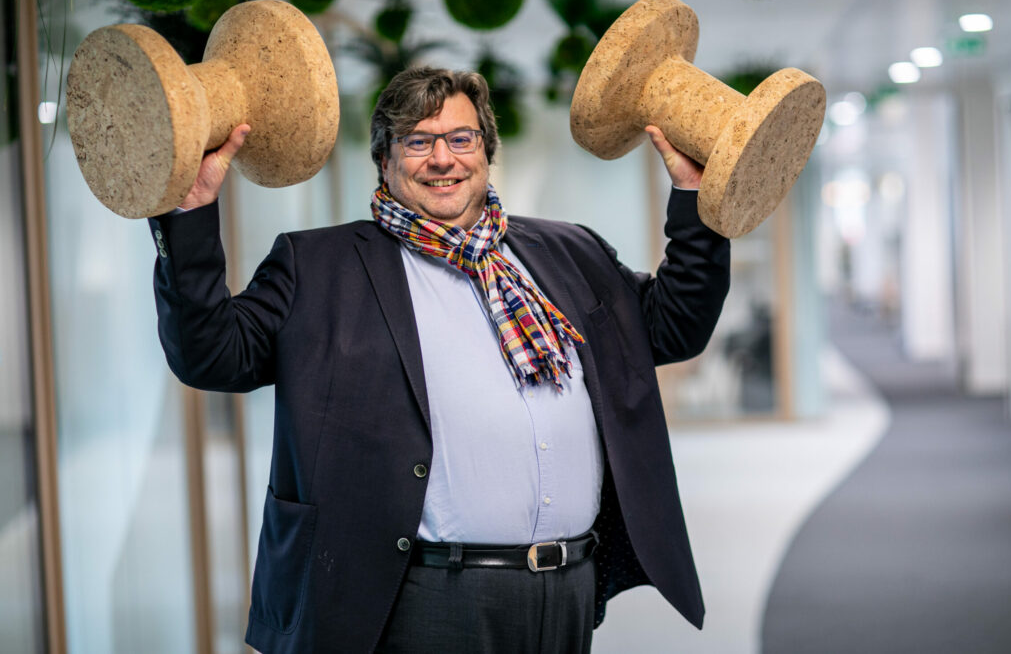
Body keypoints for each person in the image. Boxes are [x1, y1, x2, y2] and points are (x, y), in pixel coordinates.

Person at [149, 66, 730, 653]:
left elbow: (671, 327)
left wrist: (694, 199)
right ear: (384, 160)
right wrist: (192, 216)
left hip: (568, 587)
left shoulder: (569, 250)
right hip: (421, 595)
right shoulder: (318, 266)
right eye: (417, 141)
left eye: (460, 138)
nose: (442, 159)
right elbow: (213, 356)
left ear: (485, 151)